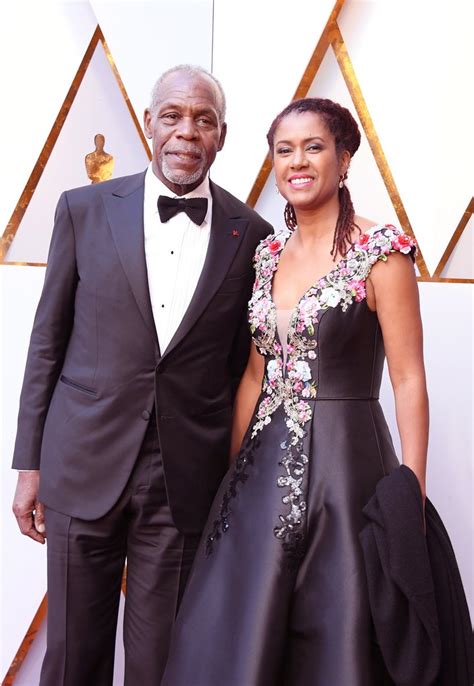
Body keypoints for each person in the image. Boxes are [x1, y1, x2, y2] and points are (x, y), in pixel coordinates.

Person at [11, 64, 272, 686]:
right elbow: (46, 341)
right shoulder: (82, 209)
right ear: (149, 123)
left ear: (222, 135)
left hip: (185, 480)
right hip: (81, 462)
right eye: (174, 116)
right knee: (73, 656)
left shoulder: (253, 235)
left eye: (203, 119)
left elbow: (246, 368)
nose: (187, 131)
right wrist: (29, 465)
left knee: (163, 664)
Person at [161, 97, 429, 685]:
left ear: (345, 158)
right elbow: (255, 376)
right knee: (235, 624)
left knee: (339, 623)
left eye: (314, 147)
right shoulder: (267, 255)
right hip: (259, 472)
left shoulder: (383, 252)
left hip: (347, 467)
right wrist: (230, 480)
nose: (297, 162)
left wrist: (412, 489)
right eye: (285, 150)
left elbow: (409, 377)